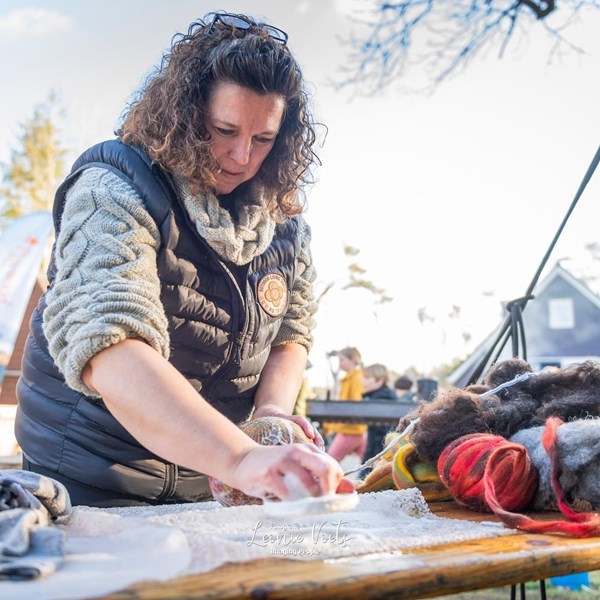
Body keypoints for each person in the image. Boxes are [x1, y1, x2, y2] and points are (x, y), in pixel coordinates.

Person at [14, 12, 352, 507]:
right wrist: (240, 459)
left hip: (206, 477)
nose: (241, 156)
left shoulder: (285, 225)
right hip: (88, 473)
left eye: (263, 139)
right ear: (188, 114)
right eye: (224, 129)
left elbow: (291, 333)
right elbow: (110, 344)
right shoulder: (112, 190)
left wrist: (271, 419)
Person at [326, 347, 367, 462]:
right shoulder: (350, 378)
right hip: (354, 428)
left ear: (353, 360)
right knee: (369, 463)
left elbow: (356, 403)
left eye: (342, 360)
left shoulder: (355, 378)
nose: (340, 364)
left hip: (350, 428)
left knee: (329, 461)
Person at [360, 364, 398, 470]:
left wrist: (375, 459)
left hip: (379, 453)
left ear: (380, 380)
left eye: (367, 378)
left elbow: (382, 434)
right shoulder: (377, 397)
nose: (363, 381)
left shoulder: (381, 399)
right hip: (377, 451)